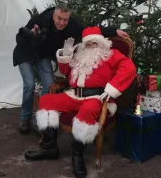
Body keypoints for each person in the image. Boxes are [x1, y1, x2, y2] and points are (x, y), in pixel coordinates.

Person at [24, 26, 136, 178]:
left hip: (95, 97)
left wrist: (111, 90)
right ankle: (49, 148)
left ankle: (77, 154)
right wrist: (66, 54)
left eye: (94, 43)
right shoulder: (79, 56)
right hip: (73, 95)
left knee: (89, 109)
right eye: (88, 44)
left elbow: (129, 68)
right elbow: (65, 71)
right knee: (46, 100)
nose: (91, 46)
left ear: (101, 43)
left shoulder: (111, 54)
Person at [13, 3, 130, 135]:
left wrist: (114, 31)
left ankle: (41, 120)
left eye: (65, 20)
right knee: (29, 84)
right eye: (59, 19)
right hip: (25, 53)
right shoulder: (40, 20)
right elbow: (20, 37)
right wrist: (32, 41)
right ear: (53, 16)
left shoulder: (72, 24)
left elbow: (90, 30)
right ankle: (25, 119)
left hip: (42, 55)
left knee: (49, 83)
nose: (62, 23)